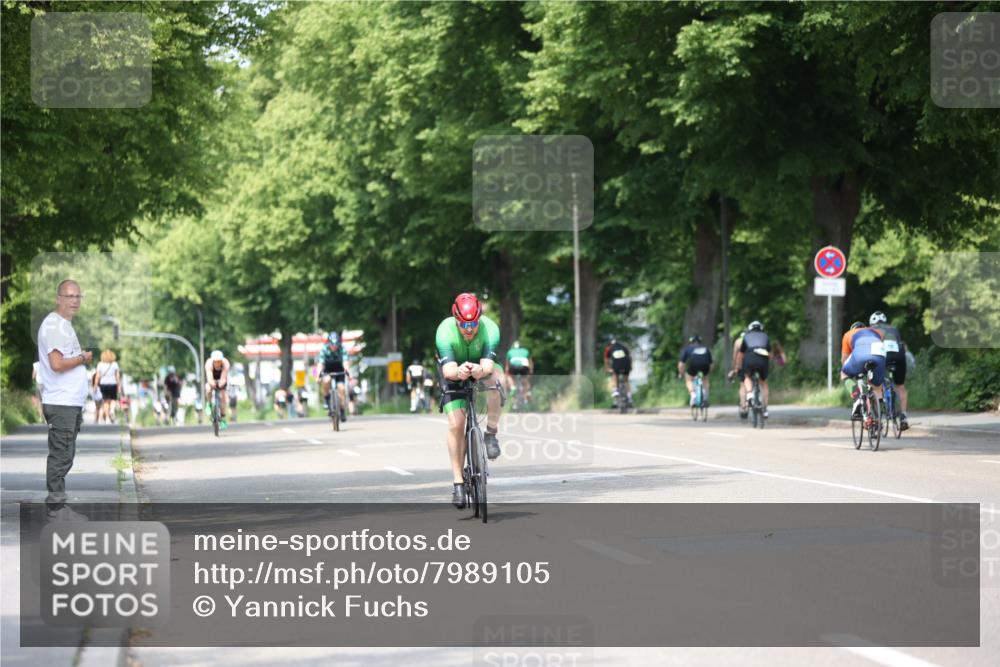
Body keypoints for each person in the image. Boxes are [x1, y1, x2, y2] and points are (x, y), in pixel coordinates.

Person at [436, 293, 503, 508]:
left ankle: (491, 434)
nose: (468, 329)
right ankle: (458, 482)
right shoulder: (444, 331)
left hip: (481, 367)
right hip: (454, 371)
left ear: (480, 319)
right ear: (455, 319)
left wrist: (479, 369)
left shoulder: (490, 329)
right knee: (456, 424)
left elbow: (489, 367)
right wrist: (459, 372)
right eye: (463, 324)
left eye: (473, 323)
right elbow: (447, 370)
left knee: (496, 382)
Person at [37, 279, 92, 522]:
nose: (74, 301)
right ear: (58, 298)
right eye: (69, 296)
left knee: (66, 455)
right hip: (61, 402)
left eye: (78, 297)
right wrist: (82, 358)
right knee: (60, 455)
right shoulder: (55, 327)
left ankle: (59, 508)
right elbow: (57, 364)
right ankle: (56, 510)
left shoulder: (63, 325)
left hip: (69, 402)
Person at [869, 311, 909, 430]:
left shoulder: (872, 330)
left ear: (872, 323)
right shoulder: (893, 329)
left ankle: (878, 418)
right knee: (900, 386)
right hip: (899, 356)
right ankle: (903, 416)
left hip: (883, 356)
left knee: (876, 385)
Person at [840, 321, 887, 422]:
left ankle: (857, 398)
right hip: (879, 356)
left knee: (843, 373)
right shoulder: (876, 332)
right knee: (876, 386)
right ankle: (879, 414)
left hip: (860, 356)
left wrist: (853, 371)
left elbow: (844, 360)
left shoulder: (848, 334)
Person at [734, 321, 773, 419]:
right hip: (763, 359)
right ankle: (765, 409)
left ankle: (750, 394)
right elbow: (770, 354)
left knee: (747, 376)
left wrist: (738, 366)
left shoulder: (746, 337)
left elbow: (741, 354)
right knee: (763, 383)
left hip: (750, 358)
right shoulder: (766, 336)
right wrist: (767, 365)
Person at [318, 332, 349, 422]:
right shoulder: (324, 349)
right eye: (332, 345)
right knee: (326, 380)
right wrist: (318, 375)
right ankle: (327, 399)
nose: (334, 347)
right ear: (329, 343)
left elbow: (345, 362)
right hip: (328, 369)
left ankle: (342, 410)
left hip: (339, 369)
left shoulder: (342, 349)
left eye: (336, 345)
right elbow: (321, 363)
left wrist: (347, 371)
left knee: (341, 389)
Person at [677, 335, 714, 406]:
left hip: (693, 366)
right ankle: (705, 397)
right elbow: (711, 364)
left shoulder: (688, 349)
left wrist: (681, 374)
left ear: (690, 342)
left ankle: (693, 395)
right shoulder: (705, 348)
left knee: (689, 379)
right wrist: (708, 373)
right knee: (705, 379)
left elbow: (681, 364)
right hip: (704, 366)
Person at [203, 350, 231, 428]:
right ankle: (209, 403)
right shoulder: (209, 364)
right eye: (216, 361)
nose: (218, 363)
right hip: (212, 377)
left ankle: (222, 417)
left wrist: (220, 385)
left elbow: (224, 377)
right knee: (208, 388)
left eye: (219, 361)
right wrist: (213, 384)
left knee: (223, 397)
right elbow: (209, 378)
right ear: (213, 360)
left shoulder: (226, 364)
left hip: (221, 377)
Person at [93, 349, 122, 424]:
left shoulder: (100, 364)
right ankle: (112, 409)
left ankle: (108, 419)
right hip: (113, 384)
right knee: (113, 399)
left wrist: (95, 386)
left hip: (103, 384)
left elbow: (97, 376)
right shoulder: (115, 364)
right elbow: (117, 376)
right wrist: (119, 385)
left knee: (105, 401)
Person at [603, 338, 633, 408]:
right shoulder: (623, 347)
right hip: (626, 364)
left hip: (616, 365)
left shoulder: (608, 348)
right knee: (626, 381)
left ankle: (615, 392)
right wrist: (630, 366)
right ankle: (630, 398)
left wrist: (607, 369)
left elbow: (606, 360)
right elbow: (629, 357)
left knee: (614, 377)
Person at [727, 329, 749, 419]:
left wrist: (734, 368)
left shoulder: (738, 341)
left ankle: (743, 405)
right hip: (755, 363)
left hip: (743, 364)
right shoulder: (752, 339)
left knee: (743, 385)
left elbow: (735, 356)